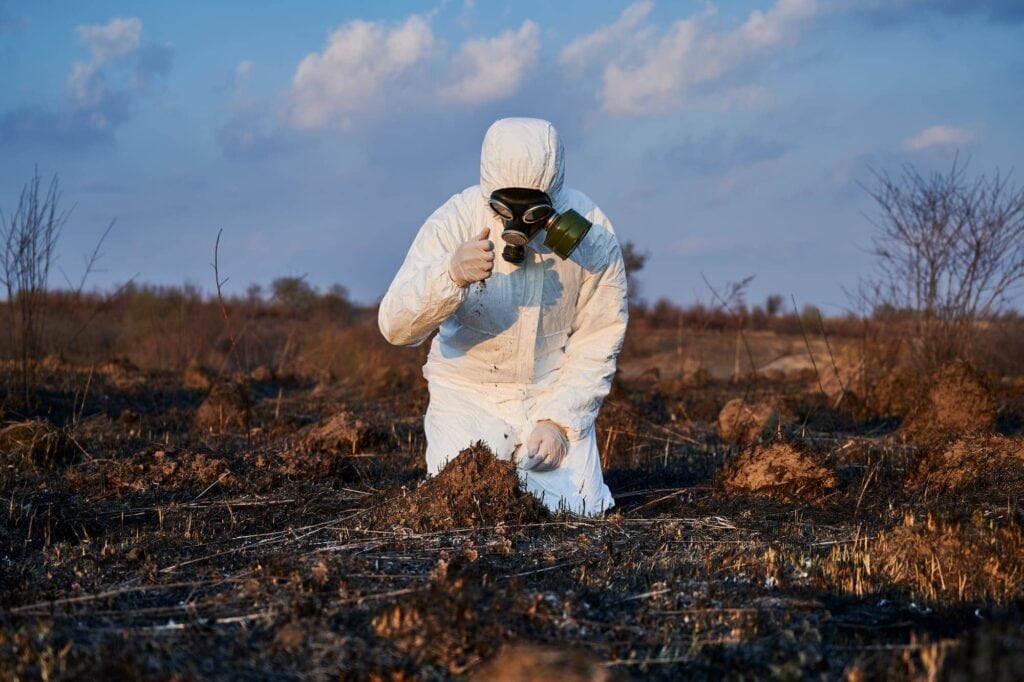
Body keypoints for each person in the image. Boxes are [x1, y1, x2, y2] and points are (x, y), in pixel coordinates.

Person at [378, 117, 627, 515]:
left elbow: (599, 339)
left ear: (554, 193)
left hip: (551, 391)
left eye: (532, 207)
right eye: (505, 205)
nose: (518, 221)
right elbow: (394, 327)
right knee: (463, 507)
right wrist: (450, 274)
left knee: (576, 512)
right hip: (467, 394)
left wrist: (561, 421)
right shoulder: (455, 221)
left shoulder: (591, 233)